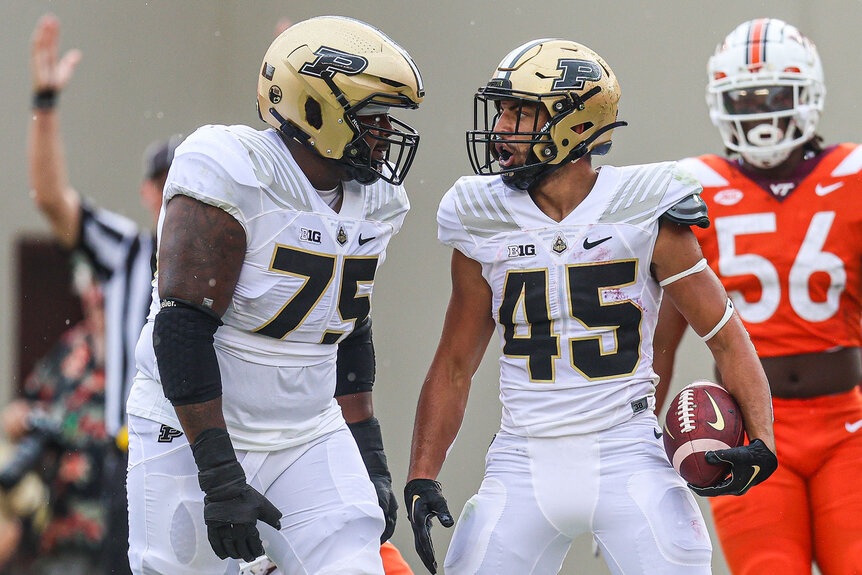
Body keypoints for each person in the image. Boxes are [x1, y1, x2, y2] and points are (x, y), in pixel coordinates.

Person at [404, 38, 778, 575]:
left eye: (521, 112)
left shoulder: (646, 205)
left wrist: (763, 438)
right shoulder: (478, 215)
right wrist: (422, 472)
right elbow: (455, 363)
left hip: (628, 452)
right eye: (503, 109)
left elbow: (724, 334)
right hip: (520, 458)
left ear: (574, 124)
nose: (502, 127)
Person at [125, 15, 424, 575]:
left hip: (308, 431)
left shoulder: (380, 201)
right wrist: (218, 473)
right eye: (372, 116)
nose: (385, 132)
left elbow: (347, 326)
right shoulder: (234, 169)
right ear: (315, 109)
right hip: (194, 427)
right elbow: (181, 327)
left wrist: (368, 452)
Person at [653, 18, 862, 574]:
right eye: (743, 101)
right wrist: (637, 457)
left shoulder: (854, 174)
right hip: (746, 426)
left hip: (848, 426)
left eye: (775, 97)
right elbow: (661, 342)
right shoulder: (693, 187)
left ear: (808, 97)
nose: (762, 115)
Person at [27, 14, 180, 574]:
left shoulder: (228, 261)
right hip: (135, 455)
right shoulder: (127, 252)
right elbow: (50, 197)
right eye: (165, 182)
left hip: (208, 454)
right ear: (147, 192)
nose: (174, 194)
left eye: (185, 179)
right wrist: (44, 102)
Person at [0, 255, 110, 575]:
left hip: (123, 528)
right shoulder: (71, 348)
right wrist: (25, 420)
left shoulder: (142, 350)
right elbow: (17, 412)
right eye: (91, 292)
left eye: (104, 295)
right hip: (62, 531)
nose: (96, 301)